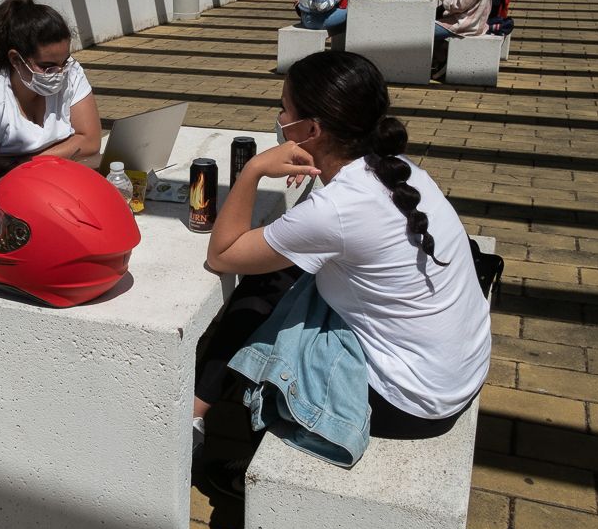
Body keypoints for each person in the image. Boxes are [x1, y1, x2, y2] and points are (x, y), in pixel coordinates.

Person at [192, 51, 490, 486]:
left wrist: (254, 169)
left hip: (409, 402)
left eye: (284, 110)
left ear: (311, 130)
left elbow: (222, 254)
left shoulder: (336, 210)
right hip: (456, 370)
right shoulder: (401, 171)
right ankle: (202, 406)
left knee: (269, 284)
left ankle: (211, 428)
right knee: (282, 274)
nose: (278, 118)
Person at [0, 0, 102, 200]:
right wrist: (67, 148)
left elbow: (90, 141)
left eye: (64, 62)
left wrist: (24, 163)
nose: (59, 73)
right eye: (47, 67)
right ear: (16, 59)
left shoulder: (71, 71)